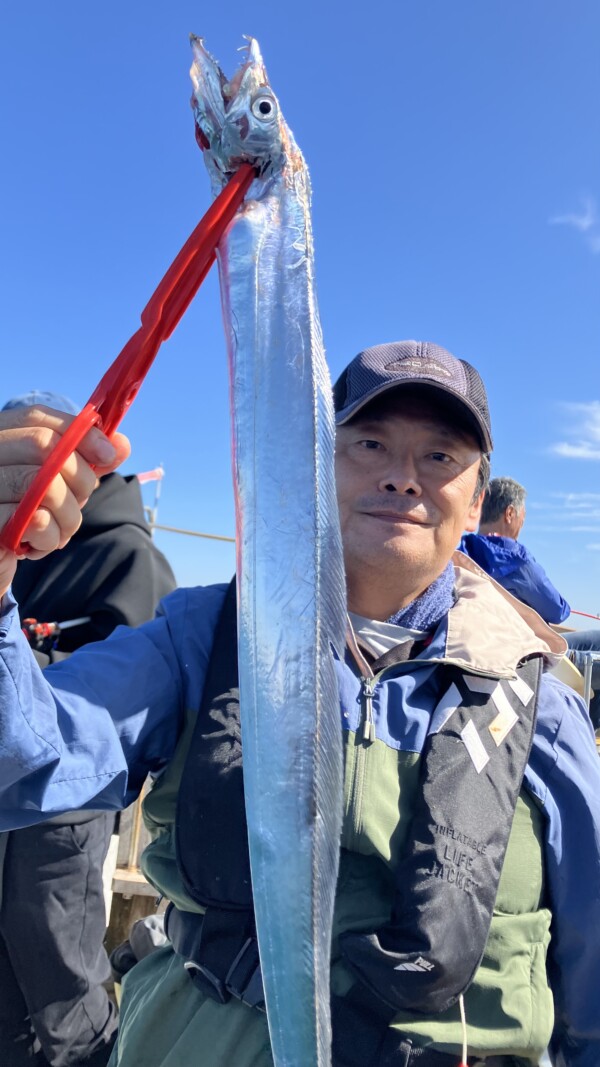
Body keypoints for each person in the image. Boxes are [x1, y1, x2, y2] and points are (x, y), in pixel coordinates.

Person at [0, 342, 599, 1067]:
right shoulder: (203, 637)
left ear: (477, 500)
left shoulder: (541, 703)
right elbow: (26, 757)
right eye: (370, 443)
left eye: (440, 456)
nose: (402, 478)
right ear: (318, 464)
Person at [0, 391, 177, 1067]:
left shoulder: (131, 557)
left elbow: (133, 705)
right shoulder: (17, 538)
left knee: (61, 983)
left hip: (63, 821)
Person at [459, 476, 571, 624]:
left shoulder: (460, 550)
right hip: (511, 642)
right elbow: (558, 611)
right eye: (523, 517)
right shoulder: (517, 559)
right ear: (510, 513)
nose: (522, 524)